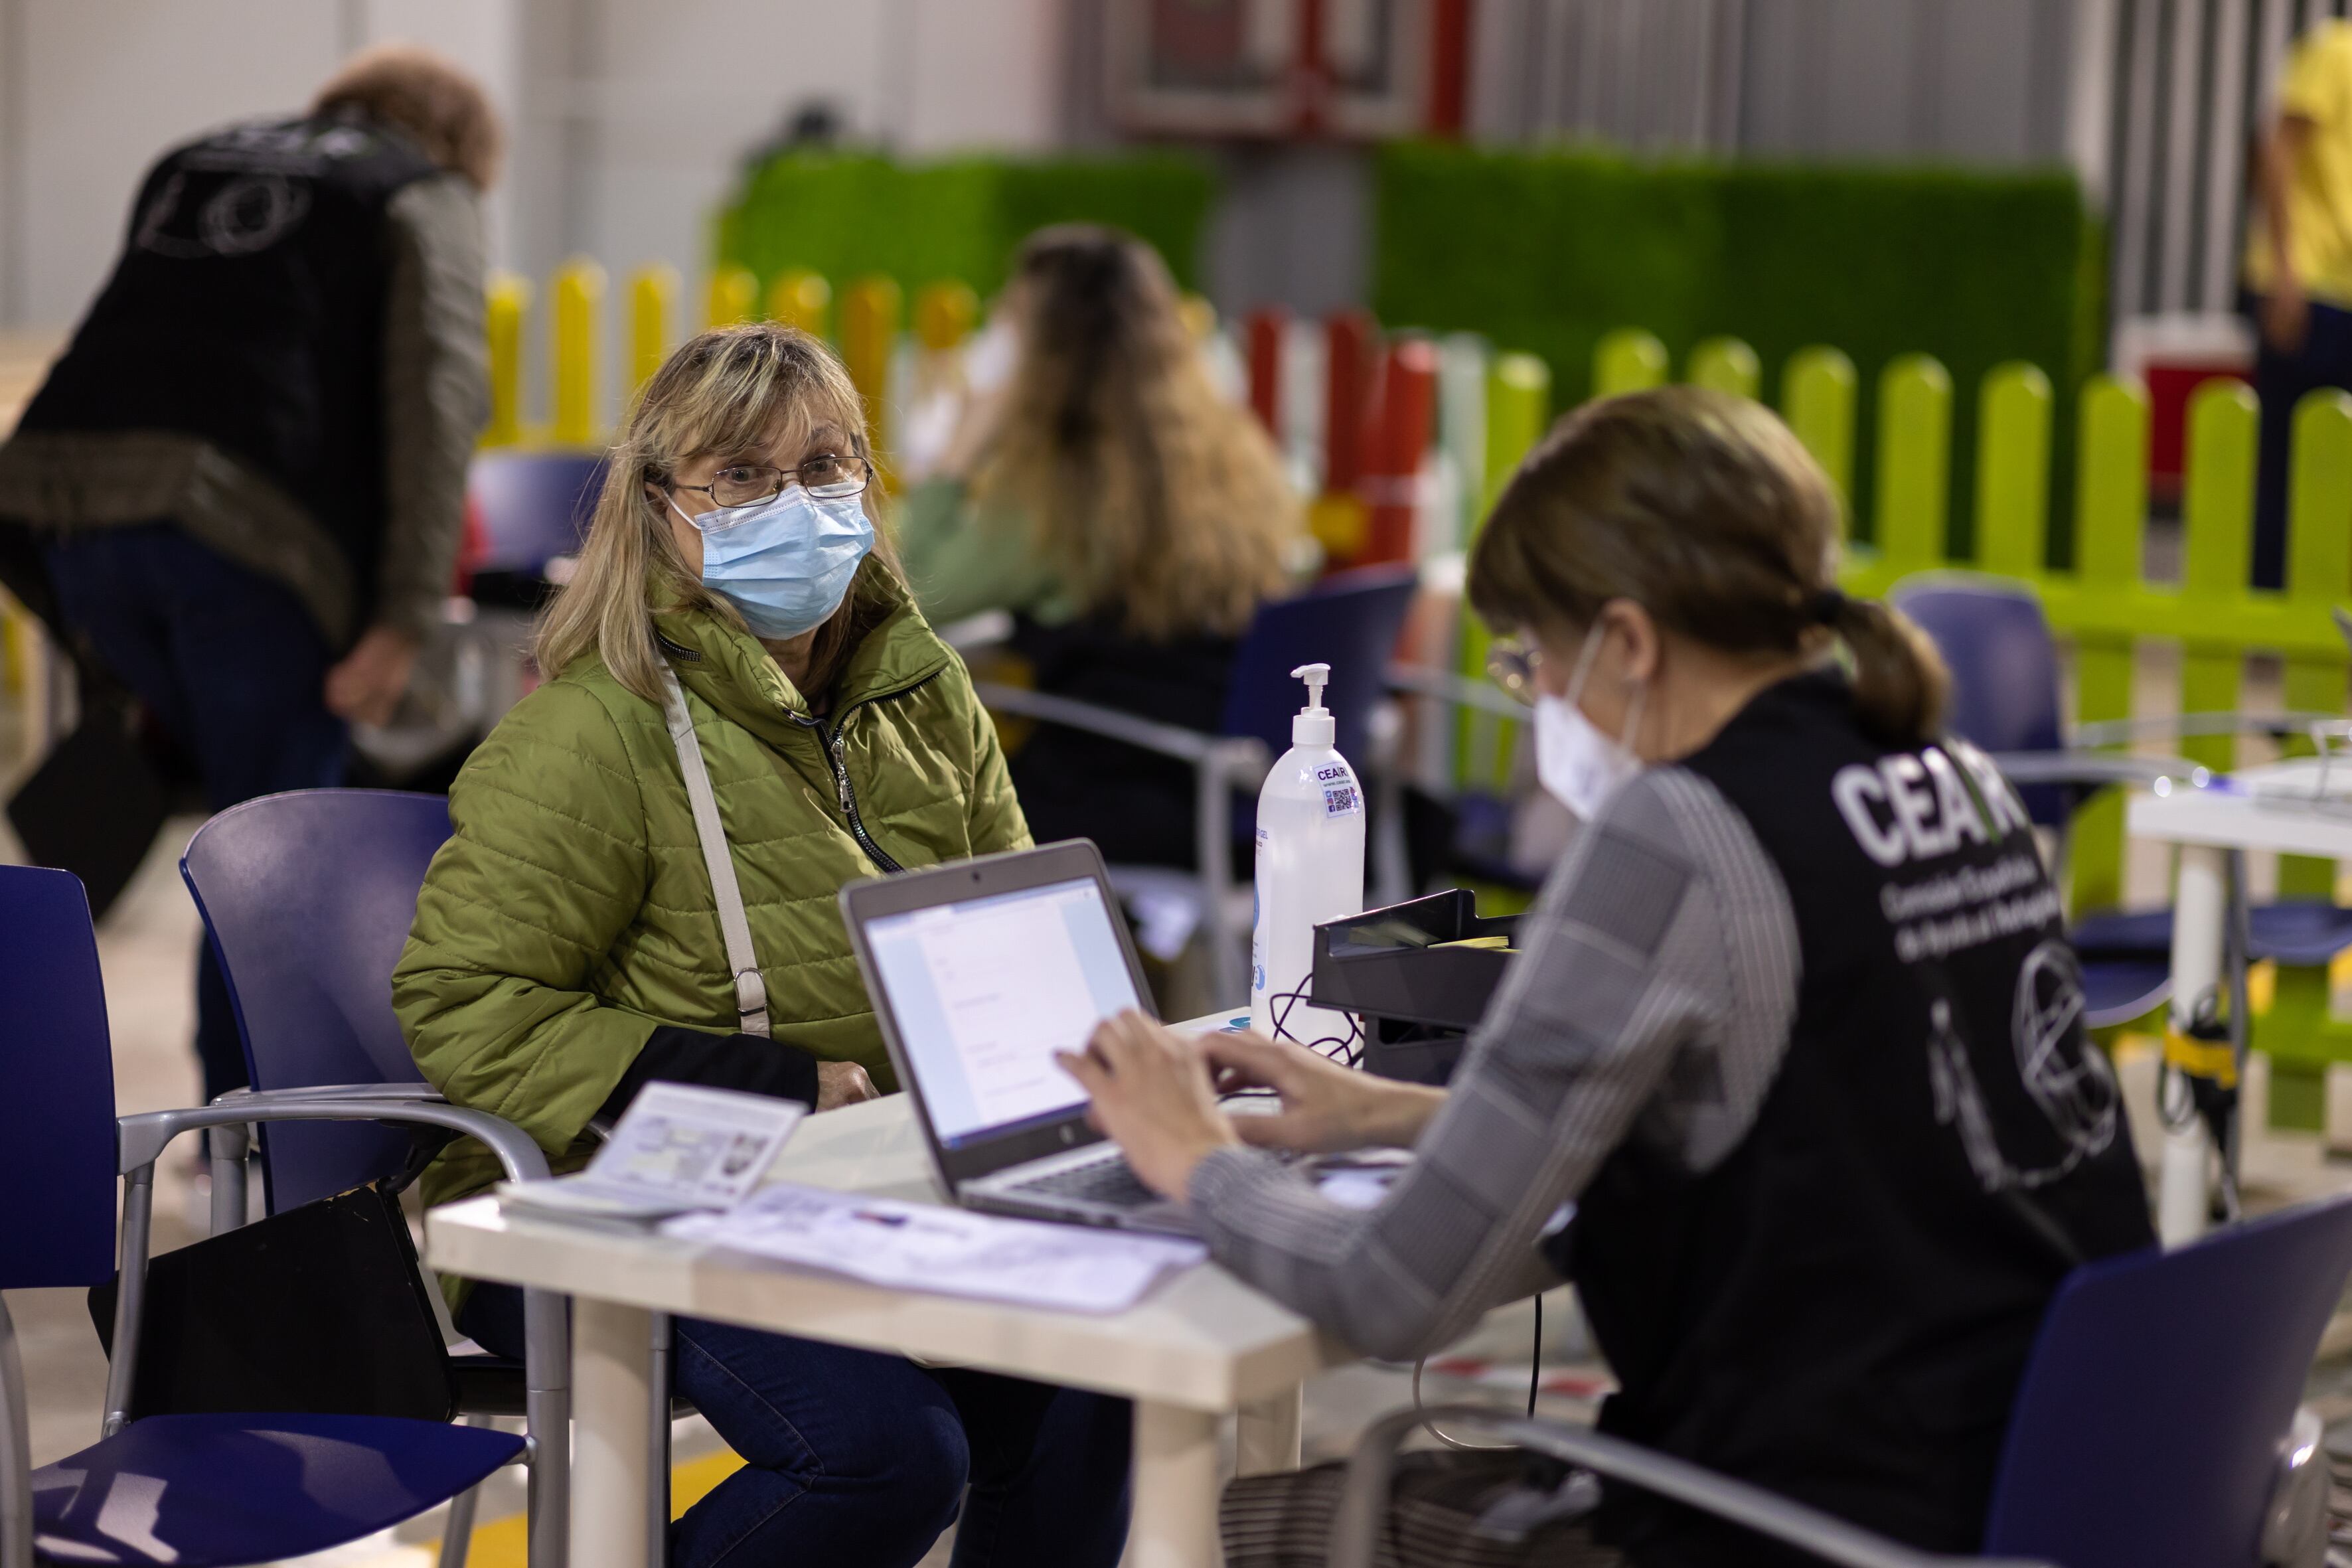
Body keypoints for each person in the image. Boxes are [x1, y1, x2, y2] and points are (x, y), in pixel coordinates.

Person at [1058, 387, 2156, 1567]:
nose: (1535, 698)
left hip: (1815, 1518)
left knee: (1246, 1522)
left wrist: (1195, 1159)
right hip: (2053, 1486)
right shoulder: (1953, 776)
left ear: (1628, 643)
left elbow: (1392, 1294)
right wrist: (1380, 1111)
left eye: (1532, 659)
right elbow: (1837, 1119)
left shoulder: (1678, 831)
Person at [392, 322, 1131, 1568]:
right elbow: (461, 1002)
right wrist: (776, 1086)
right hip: (601, 1196)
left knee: (1094, 1375)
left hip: (860, 1185)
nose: (797, 504)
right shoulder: (591, 732)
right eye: (741, 475)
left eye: (829, 466)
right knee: (886, 1455)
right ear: (657, 506)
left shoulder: (922, 691)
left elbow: (1005, 925)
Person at [0, 44, 495, 1100]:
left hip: (64, 519)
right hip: (242, 541)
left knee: (244, 818)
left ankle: (247, 1116)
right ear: (458, 141)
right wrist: (403, 619)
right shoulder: (422, 189)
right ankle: (265, 1143)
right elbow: (437, 401)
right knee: (275, 852)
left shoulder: (200, 157)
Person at [896, 224, 1300, 869]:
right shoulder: (1226, 453)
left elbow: (915, 593)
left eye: (1011, 315)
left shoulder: (1060, 487)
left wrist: (954, 459)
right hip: (1231, 785)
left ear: (1045, 349)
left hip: (1121, 790)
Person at [2245, 17, 2352, 589]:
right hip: (2305, 288)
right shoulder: (2336, 49)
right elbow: (2278, 149)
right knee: (2287, 465)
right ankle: (2267, 619)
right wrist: (2286, 271)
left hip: (2342, 290)